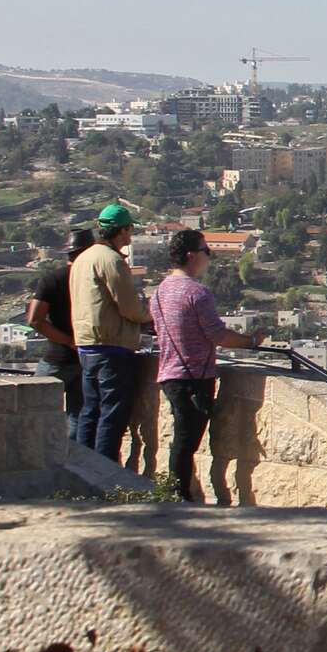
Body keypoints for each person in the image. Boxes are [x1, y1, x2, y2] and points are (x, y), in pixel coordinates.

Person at [148, 229, 267, 501]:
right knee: (185, 442)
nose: (209, 257)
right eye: (206, 251)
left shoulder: (159, 292)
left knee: (183, 439)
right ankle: (177, 497)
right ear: (192, 255)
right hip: (194, 377)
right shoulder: (197, 293)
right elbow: (217, 335)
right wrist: (250, 341)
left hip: (169, 373)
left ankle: (178, 493)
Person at [69, 203, 153, 460]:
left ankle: (83, 469)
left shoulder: (82, 258)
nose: (131, 236)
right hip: (112, 347)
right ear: (122, 230)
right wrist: (148, 315)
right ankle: (103, 471)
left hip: (86, 345)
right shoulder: (111, 260)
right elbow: (128, 307)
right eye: (130, 229)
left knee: (90, 411)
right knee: (111, 414)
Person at [27, 229, 97, 436]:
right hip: (88, 357)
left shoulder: (53, 279)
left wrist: (67, 341)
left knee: (32, 413)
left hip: (57, 358)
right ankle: (73, 454)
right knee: (80, 418)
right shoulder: (96, 279)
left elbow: (35, 320)